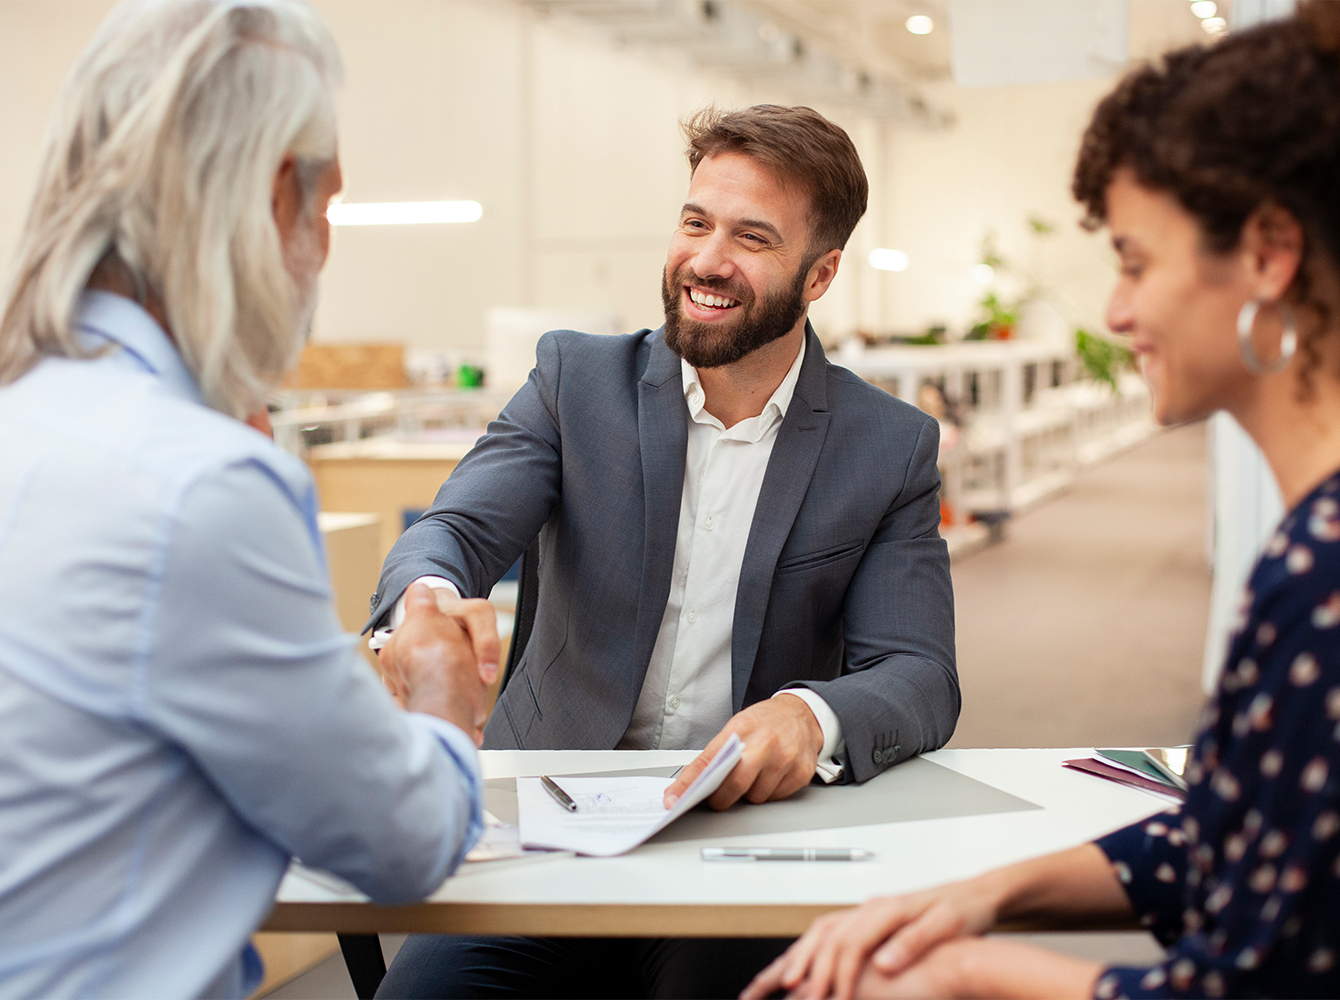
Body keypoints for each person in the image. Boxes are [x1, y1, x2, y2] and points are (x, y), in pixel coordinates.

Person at [743, 5, 1340, 999]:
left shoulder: (1317, 580)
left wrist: (968, 974)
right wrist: (983, 893)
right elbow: (1228, 836)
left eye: (1134, 262)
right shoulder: (1305, 550)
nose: (1113, 311)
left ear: (1268, 255)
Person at [372, 105, 959, 998]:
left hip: (744, 847)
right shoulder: (577, 384)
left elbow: (917, 672)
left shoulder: (888, 448)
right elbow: (452, 533)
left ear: (821, 273)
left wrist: (809, 715)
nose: (708, 260)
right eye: (696, 222)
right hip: (547, 829)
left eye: (752, 237)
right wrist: (423, 601)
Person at [0, 2, 492, 997]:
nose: (321, 244)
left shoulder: (36, 419)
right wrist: (444, 701)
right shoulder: (203, 485)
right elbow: (398, 844)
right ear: (275, 196)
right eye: (327, 207)